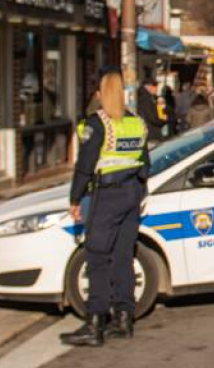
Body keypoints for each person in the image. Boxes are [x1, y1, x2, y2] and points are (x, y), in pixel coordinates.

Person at [61, 67, 150, 347]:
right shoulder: (136, 122)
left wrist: (75, 199)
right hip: (132, 193)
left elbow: (84, 167)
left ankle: (95, 322)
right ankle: (124, 318)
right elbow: (145, 163)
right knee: (123, 257)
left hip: (107, 195)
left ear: (100, 94)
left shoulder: (97, 124)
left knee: (97, 257)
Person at [136, 76, 168, 143]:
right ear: (148, 86)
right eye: (155, 85)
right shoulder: (146, 99)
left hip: (148, 132)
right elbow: (152, 117)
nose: (156, 88)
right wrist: (162, 120)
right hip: (151, 134)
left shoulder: (146, 97)